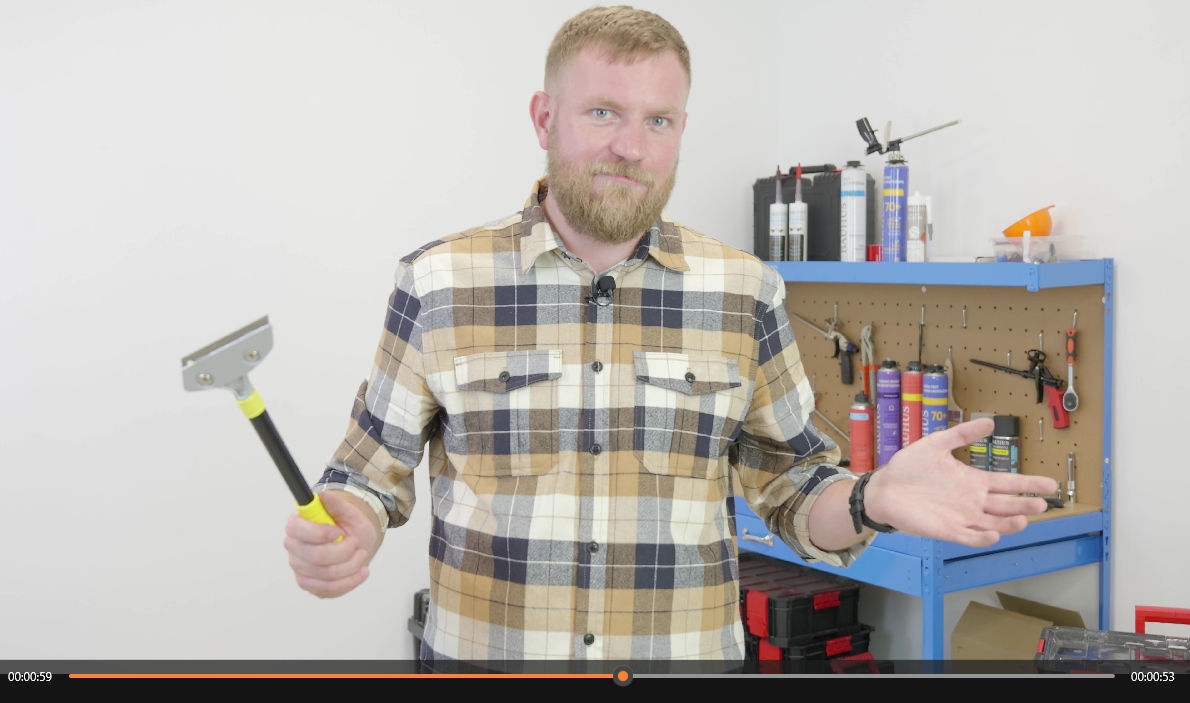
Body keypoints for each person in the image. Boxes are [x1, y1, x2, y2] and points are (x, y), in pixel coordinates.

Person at [282, 5, 1058, 665]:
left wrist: (870, 497)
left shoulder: (744, 292)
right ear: (544, 118)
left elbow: (793, 487)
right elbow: (368, 473)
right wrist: (347, 523)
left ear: (681, 129)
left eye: (658, 120)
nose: (632, 146)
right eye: (603, 112)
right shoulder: (438, 283)